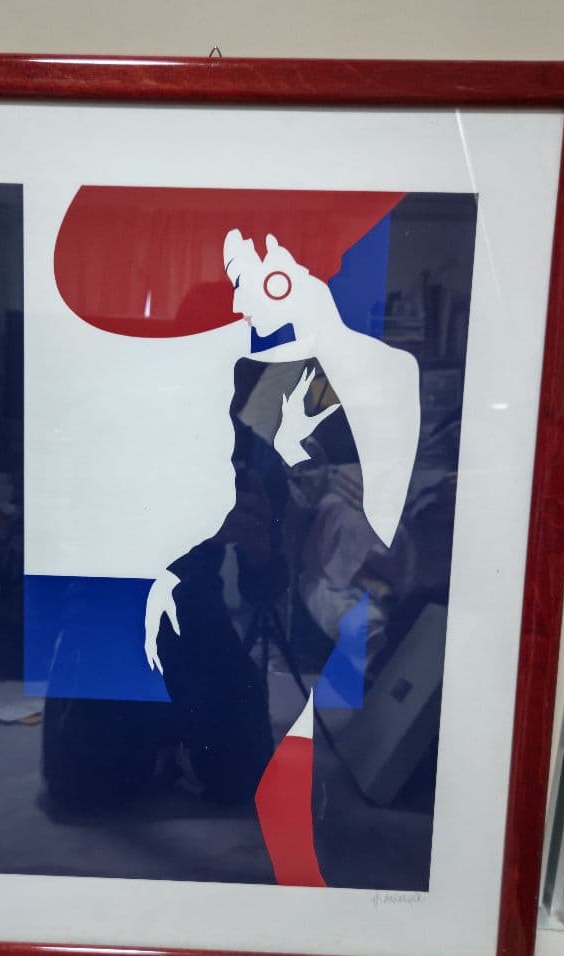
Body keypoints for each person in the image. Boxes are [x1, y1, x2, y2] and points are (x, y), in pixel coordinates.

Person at [144, 229, 421, 883]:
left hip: (193, 615)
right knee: (90, 777)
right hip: (120, 614)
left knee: (236, 773)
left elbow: (264, 592)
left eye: (240, 362)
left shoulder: (254, 455)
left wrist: (261, 545)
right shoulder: (145, 432)